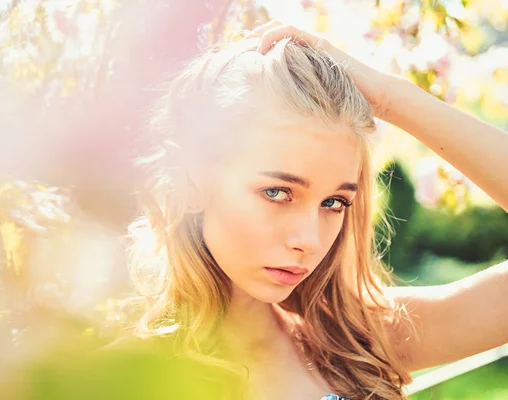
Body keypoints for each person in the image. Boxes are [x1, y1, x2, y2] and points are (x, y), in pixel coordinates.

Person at [119, 21, 508, 400]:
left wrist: (389, 98)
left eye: (334, 202)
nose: (309, 240)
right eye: (277, 192)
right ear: (192, 182)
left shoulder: (360, 341)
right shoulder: (121, 381)